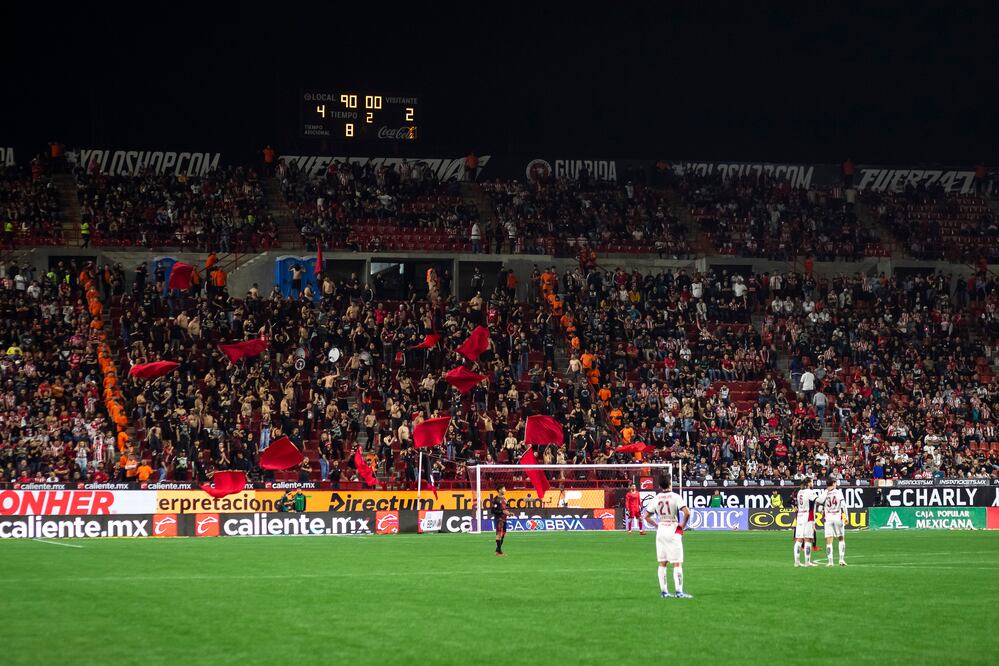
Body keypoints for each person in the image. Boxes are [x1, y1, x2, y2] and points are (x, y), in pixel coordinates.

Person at [645, 476, 691, 599]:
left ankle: (664, 592)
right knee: (677, 563)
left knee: (662, 563)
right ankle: (679, 592)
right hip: (673, 529)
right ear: (670, 483)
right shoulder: (676, 497)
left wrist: (657, 525)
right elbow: (687, 512)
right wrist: (682, 525)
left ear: (660, 486)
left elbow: (647, 516)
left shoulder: (656, 498)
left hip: (661, 530)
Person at [819, 478, 848, 566]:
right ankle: (841, 560)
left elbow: (820, 507)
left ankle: (830, 562)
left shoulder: (824, 492)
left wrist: (822, 512)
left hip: (828, 519)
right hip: (837, 517)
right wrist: (846, 516)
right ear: (834, 483)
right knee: (841, 538)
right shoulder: (838, 492)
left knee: (829, 540)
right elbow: (843, 505)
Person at [793, 477, 820, 567]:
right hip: (808, 516)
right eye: (812, 482)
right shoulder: (810, 492)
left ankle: (796, 562)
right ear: (808, 483)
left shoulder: (799, 492)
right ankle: (807, 562)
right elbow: (819, 501)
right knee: (808, 539)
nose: (813, 484)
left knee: (799, 539)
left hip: (800, 515)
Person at [492, 485, 510, 556]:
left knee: (503, 534)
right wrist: (502, 512)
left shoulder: (504, 499)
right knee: (499, 534)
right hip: (499, 519)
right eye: (504, 489)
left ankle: (497, 549)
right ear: (499, 490)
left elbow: (505, 509)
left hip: (505, 519)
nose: (505, 490)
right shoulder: (495, 500)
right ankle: (499, 552)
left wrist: (509, 513)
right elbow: (493, 511)